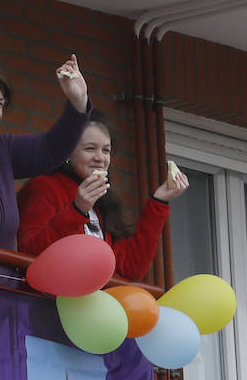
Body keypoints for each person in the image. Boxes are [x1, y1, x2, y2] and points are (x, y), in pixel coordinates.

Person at [0, 55, 92, 277]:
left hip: (2, 286)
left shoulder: (1, 146)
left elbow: (51, 150)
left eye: (0, 104)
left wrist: (78, 102)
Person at [16, 119, 189, 281]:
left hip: (91, 307)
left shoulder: (104, 202)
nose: (100, 158)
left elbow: (131, 267)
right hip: (47, 305)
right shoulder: (45, 188)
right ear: (68, 153)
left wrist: (159, 201)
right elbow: (30, 251)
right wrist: (77, 210)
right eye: (90, 149)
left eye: (106, 150)